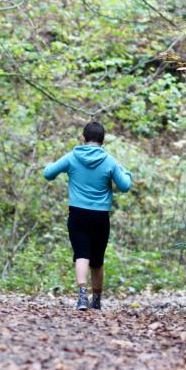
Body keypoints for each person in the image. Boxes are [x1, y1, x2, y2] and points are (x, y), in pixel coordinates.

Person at [43, 122, 132, 311]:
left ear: (83, 138)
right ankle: (97, 300)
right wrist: (126, 172)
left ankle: (82, 297)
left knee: (81, 254)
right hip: (101, 215)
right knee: (97, 259)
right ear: (103, 141)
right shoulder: (110, 161)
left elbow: (48, 174)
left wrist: (51, 164)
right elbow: (125, 186)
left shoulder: (72, 157)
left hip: (78, 214)